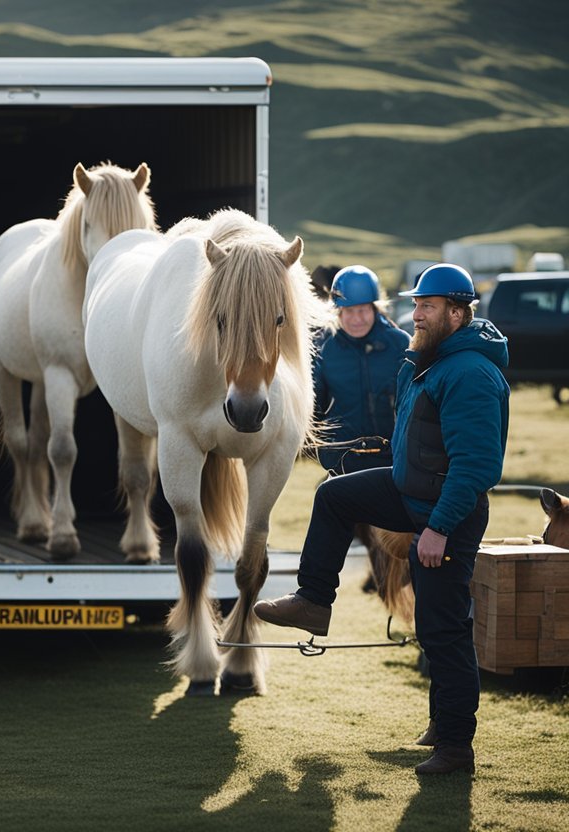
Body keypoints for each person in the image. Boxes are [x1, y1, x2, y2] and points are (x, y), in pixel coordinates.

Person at [254, 264, 510, 776]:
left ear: (457, 313)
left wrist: (436, 529)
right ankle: (313, 603)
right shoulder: (429, 362)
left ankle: (456, 746)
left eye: (427, 306)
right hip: (409, 492)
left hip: (446, 515)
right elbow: (417, 438)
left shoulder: (471, 373)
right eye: (415, 305)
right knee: (333, 498)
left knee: (443, 630)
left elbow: (477, 465)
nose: (414, 314)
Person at [314, 265, 411, 474]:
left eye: (363, 310)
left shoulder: (400, 343)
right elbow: (314, 408)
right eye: (349, 311)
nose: (357, 319)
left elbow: (415, 404)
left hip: (393, 462)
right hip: (342, 461)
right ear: (337, 310)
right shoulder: (324, 347)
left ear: (375, 308)